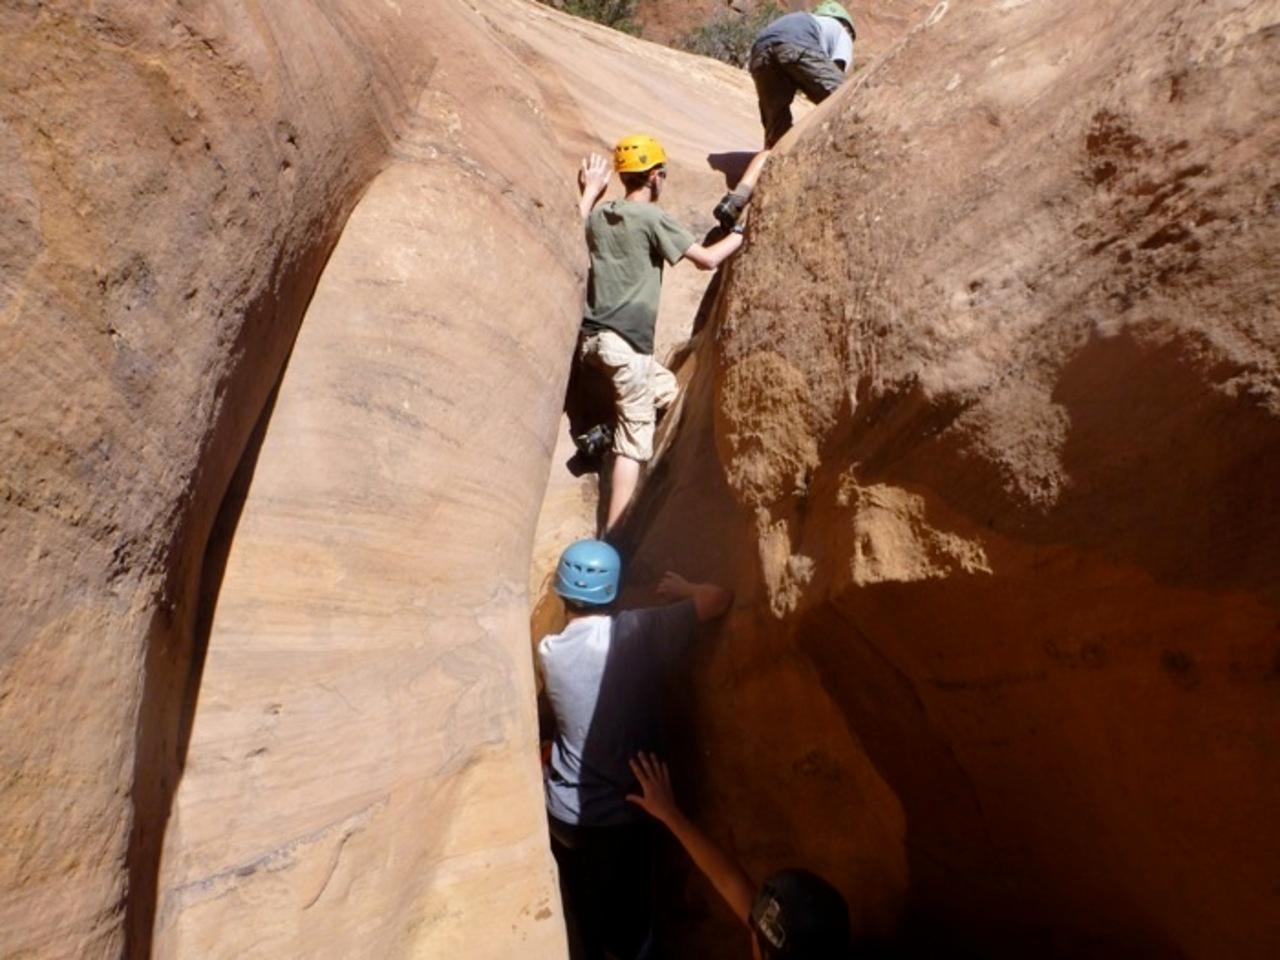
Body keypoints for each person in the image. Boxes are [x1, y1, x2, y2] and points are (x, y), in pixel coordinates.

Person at [539, 539, 734, 959]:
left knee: (586, 914)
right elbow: (718, 598)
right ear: (613, 590)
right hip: (621, 817)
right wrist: (683, 588)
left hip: (562, 814)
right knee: (632, 930)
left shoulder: (549, 652)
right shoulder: (637, 632)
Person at [577, 135, 745, 533]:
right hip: (627, 347)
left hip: (592, 343)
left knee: (668, 392)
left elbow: (574, 225)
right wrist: (743, 233)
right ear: (654, 177)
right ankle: (611, 541)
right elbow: (706, 260)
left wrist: (590, 193)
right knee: (634, 447)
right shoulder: (653, 218)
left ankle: (605, 433)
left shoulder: (601, 215)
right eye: (662, 175)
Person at [628, 752, 853, 959]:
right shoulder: (799, 945)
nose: (751, 931)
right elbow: (728, 880)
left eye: (755, 933)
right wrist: (669, 813)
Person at [711, 3, 857, 231]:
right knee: (848, 98)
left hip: (759, 52)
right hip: (795, 45)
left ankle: (736, 201)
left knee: (776, 143)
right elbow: (836, 80)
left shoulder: (805, 20)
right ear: (847, 26)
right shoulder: (841, 31)